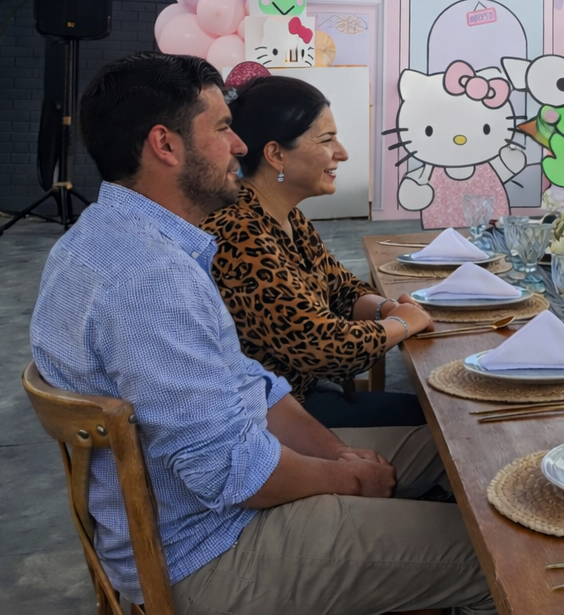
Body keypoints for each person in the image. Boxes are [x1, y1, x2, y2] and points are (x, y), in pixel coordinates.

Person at [30, 52, 494, 615]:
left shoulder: (112, 239)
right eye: (223, 128)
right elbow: (231, 473)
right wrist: (346, 481)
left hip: (215, 506)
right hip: (210, 551)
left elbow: (251, 383)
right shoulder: (150, 279)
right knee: (499, 551)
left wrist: (338, 455)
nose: (240, 145)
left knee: (465, 448)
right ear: (166, 145)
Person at [205, 74, 431, 428]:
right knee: (445, 431)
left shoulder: (283, 213)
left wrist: (387, 308)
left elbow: (341, 288)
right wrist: (403, 323)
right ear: (276, 154)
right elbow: (323, 347)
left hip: (311, 395)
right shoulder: (239, 233)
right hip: (280, 420)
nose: (342, 153)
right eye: (327, 140)